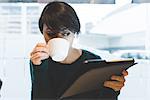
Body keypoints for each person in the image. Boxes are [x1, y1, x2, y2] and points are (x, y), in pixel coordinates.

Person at [30, 1, 128, 100]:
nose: (58, 39)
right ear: (42, 32)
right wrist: (39, 68)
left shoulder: (93, 61)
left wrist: (113, 89)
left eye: (65, 34)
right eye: (50, 34)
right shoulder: (41, 61)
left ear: (74, 33)